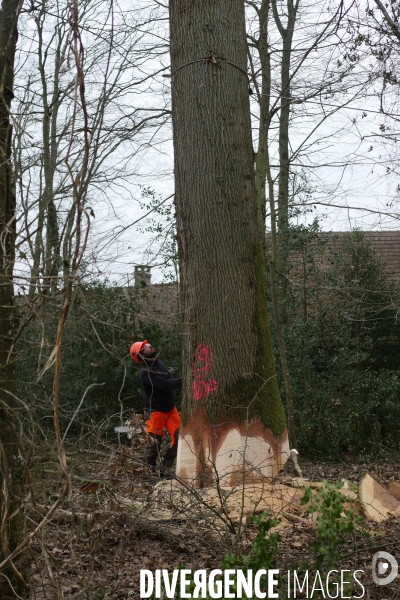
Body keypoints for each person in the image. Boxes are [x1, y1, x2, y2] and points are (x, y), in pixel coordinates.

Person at [130, 340, 182, 478]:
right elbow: (164, 384)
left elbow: (168, 380)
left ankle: (165, 468)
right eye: (144, 347)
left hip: (170, 408)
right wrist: (185, 379)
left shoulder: (159, 363)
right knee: (154, 444)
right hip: (155, 412)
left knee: (179, 438)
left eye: (147, 345)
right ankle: (148, 472)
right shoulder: (145, 373)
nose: (149, 346)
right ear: (140, 355)